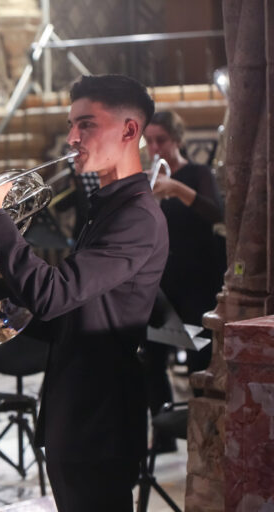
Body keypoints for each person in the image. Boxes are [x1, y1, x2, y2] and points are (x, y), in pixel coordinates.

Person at [0, 75, 168, 511]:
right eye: (72, 124)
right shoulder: (107, 208)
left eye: (86, 124)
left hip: (101, 418)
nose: (72, 137)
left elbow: (55, 294)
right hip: (76, 411)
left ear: (130, 131)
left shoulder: (137, 217)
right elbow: (70, 312)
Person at [143, 110, 224, 432]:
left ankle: (202, 430)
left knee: (200, 356)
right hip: (163, 281)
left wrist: (176, 188)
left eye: (160, 140)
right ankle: (161, 429)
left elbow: (216, 212)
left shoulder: (196, 173)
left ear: (176, 139)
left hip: (198, 279)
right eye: (149, 141)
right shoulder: (147, 178)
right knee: (152, 355)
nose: (154, 148)